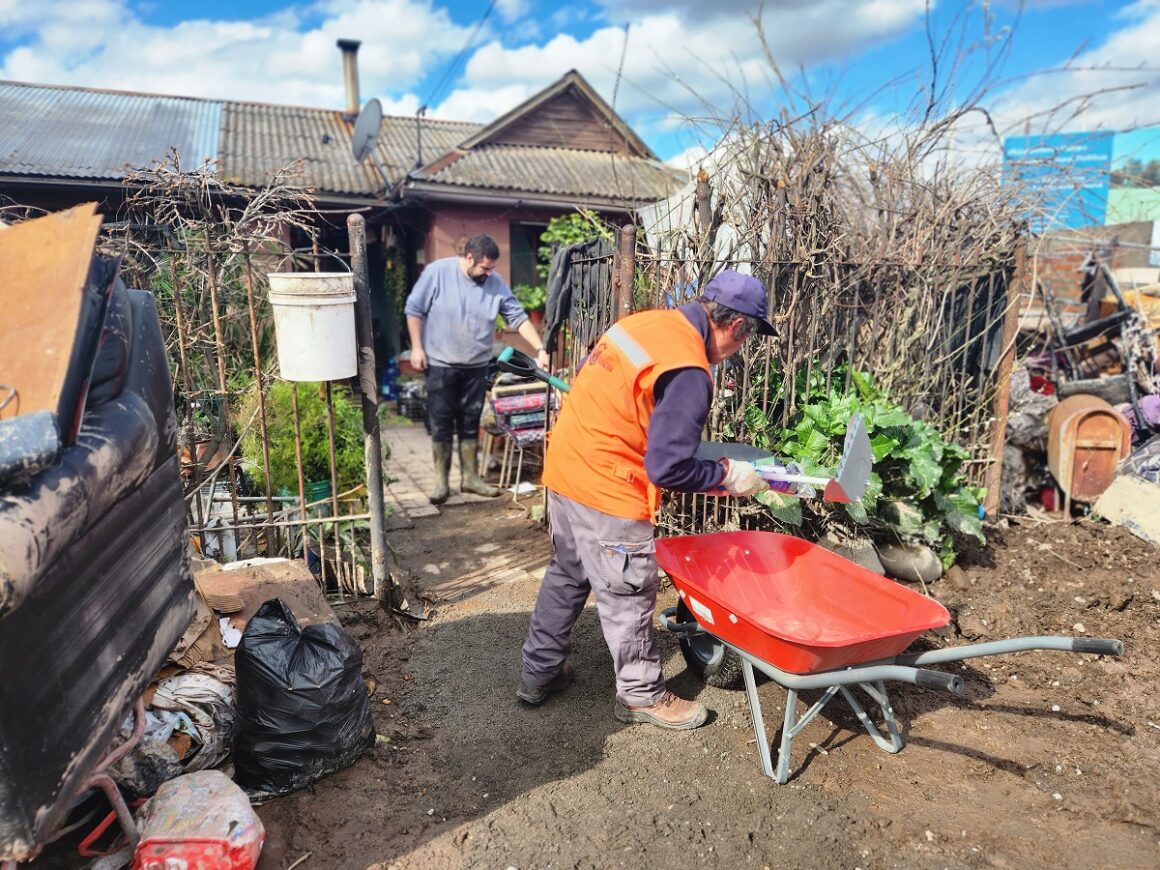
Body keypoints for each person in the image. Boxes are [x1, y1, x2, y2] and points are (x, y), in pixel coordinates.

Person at [518, 269, 776, 730]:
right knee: (629, 590)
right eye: (746, 340)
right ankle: (640, 695)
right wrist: (728, 477)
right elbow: (667, 468)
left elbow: (605, 393)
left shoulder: (642, 324)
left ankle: (540, 671)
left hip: (566, 467)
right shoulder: (691, 370)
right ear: (736, 327)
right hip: (609, 486)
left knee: (568, 573)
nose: (737, 353)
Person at [404, 234, 551, 504]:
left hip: (476, 365)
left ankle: (470, 479)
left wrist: (540, 349)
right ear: (469, 257)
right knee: (442, 422)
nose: (489, 273)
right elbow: (414, 309)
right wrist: (416, 347)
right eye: (485, 267)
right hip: (440, 363)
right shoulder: (438, 272)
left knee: (470, 422)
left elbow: (517, 317)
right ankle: (440, 483)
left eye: (492, 268)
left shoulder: (494, 283)